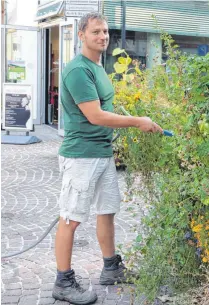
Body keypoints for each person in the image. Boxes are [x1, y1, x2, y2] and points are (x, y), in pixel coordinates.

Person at [52, 12, 163, 305]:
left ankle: (111, 268)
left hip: (101, 153)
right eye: (96, 32)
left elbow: (106, 106)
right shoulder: (78, 70)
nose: (102, 37)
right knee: (71, 218)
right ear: (81, 35)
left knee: (107, 211)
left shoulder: (98, 67)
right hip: (81, 156)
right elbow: (95, 115)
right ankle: (63, 281)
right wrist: (138, 120)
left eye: (105, 32)